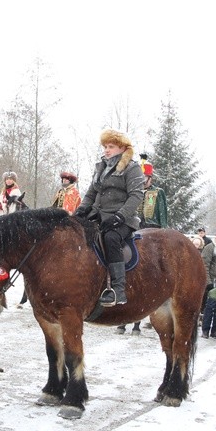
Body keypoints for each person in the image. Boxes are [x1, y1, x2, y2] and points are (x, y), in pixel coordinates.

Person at [74, 129, 145, 306]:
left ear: (122, 148)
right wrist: (81, 210)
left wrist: (120, 216)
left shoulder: (132, 167)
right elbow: (91, 193)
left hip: (123, 219)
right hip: (99, 216)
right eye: (105, 146)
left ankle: (118, 290)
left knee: (111, 237)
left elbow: (136, 196)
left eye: (111, 146)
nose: (106, 150)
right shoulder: (101, 167)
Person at [117, 160, 169, 333]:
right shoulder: (132, 191)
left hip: (151, 230)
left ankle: (138, 320)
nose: (141, 180)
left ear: (150, 178)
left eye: (144, 177)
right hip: (133, 228)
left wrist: (163, 234)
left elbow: (162, 214)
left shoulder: (157, 192)